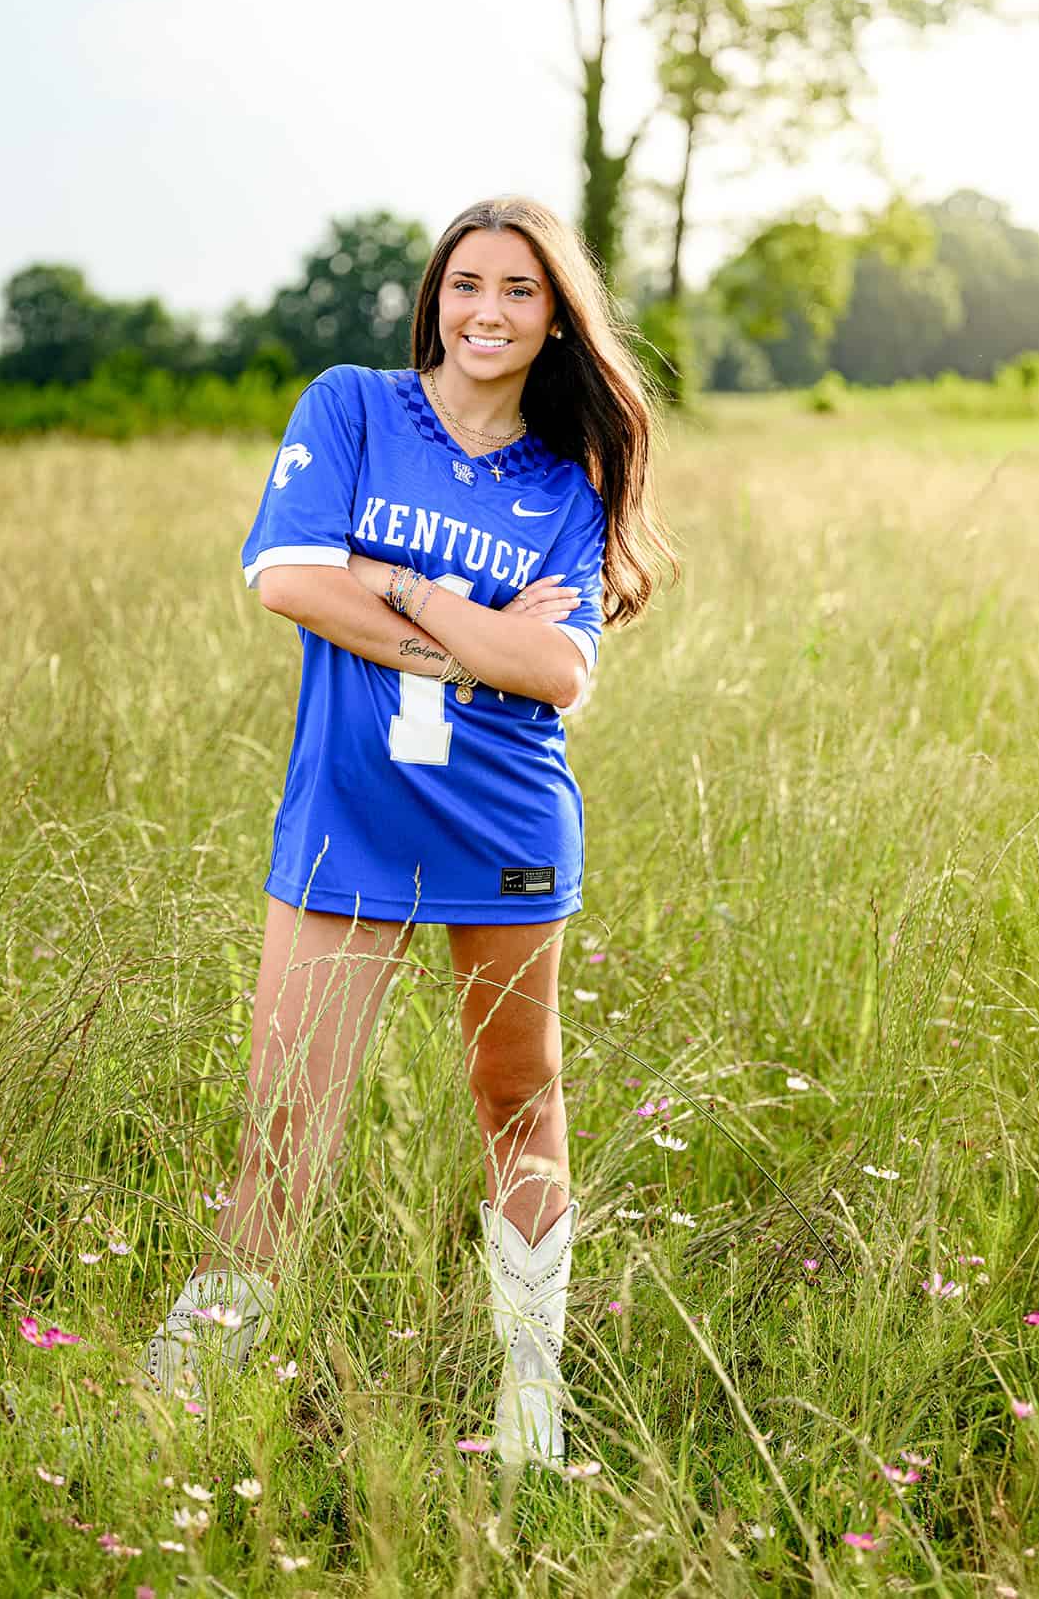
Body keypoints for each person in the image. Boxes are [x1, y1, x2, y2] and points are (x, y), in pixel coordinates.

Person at [139, 194, 676, 1471]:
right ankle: (187, 1393)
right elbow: (284, 579)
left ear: (555, 322)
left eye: (520, 293)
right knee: (286, 1118)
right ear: (435, 296)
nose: (487, 312)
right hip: (351, 814)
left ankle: (531, 1393)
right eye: (466, 285)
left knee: (516, 1097)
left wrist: (393, 583)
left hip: (502, 817)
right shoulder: (352, 407)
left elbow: (556, 673)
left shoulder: (565, 479)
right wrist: (460, 629)